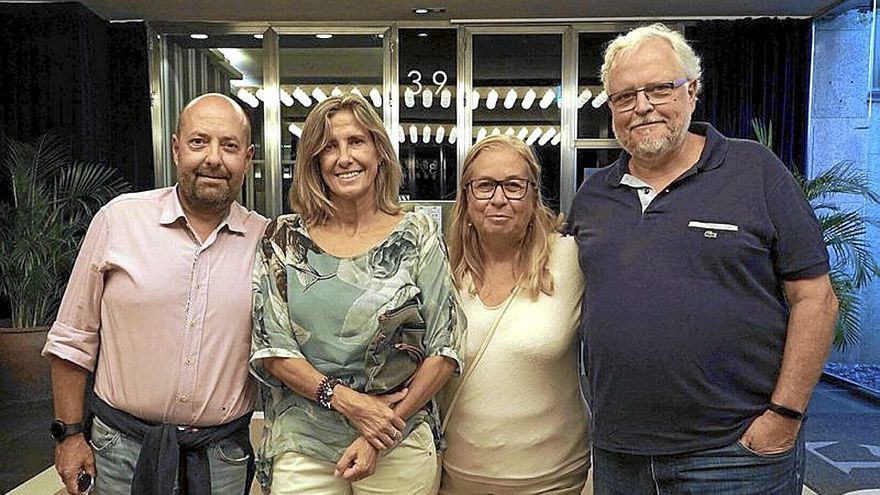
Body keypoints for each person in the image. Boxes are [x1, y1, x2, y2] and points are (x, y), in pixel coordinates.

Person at [569, 23, 838, 494]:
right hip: (620, 453)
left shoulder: (754, 171)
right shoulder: (593, 197)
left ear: (693, 91)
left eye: (659, 88)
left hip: (735, 454)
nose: (643, 106)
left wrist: (785, 415)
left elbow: (816, 299)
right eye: (625, 96)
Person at [42, 93, 267, 494]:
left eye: (229, 146)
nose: (214, 158)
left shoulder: (266, 242)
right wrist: (69, 435)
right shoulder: (119, 220)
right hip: (119, 451)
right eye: (199, 142)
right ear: (177, 149)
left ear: (247, 158)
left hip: (221, 460)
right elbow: (72, 339)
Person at [250, 94, 464, 494]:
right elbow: (273, 351)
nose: (344, 157)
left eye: (356, 142)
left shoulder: (417, 235)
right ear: (314, 162)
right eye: (329, 146)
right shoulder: (283, 238)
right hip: (304, 444)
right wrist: (352, 403)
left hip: (397, 438)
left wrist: (376, 430)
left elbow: (446, 348)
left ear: (379, 152)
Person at [440, 134, 590, 494]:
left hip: (555, 479)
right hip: (458, 477)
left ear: (534, 195)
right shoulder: (441, 269)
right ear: (466, 197)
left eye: (513, 186)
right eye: (485, 186)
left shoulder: (572, 260)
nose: (498, 199)